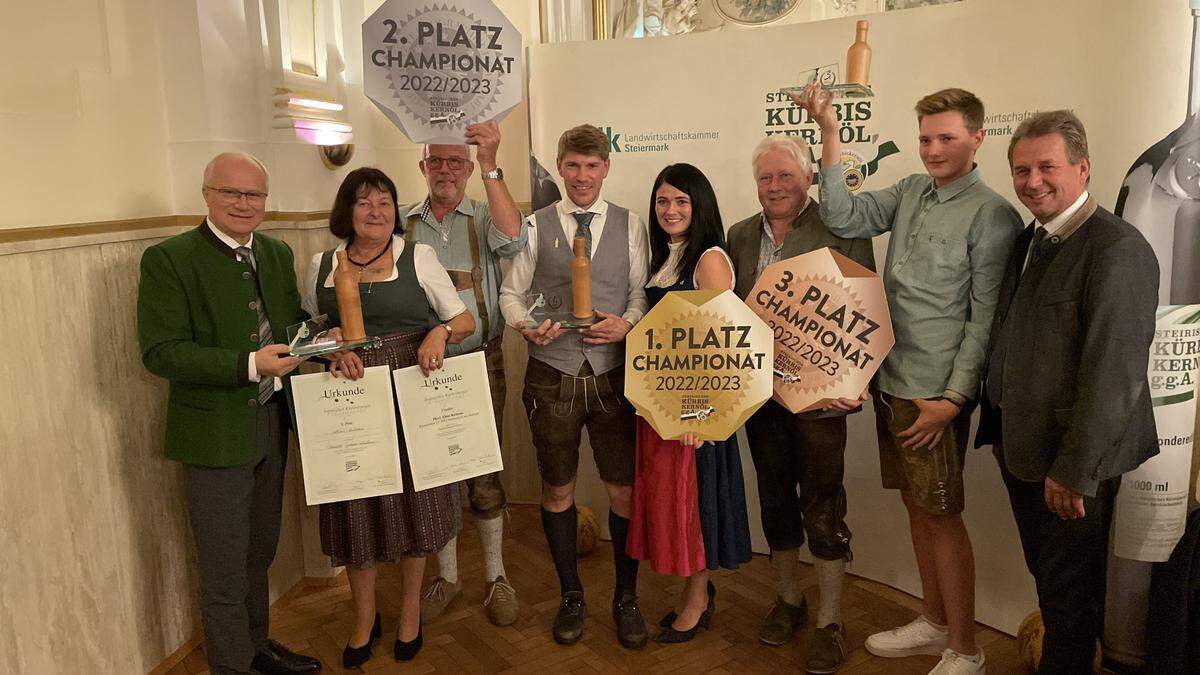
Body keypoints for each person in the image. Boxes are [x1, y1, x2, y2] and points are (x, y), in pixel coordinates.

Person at [798, 85, 1022, 674]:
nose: (932, 149)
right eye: (925, 138)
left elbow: (984, 319)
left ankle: (967, 650)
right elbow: (841, 212)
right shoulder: (911, 191)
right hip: (890, 380)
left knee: (944, 519)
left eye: (946, 138)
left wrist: (953, 400)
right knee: (919, 511)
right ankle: (935, 622)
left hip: (934, 397)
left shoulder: (995, 214)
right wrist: (828, 129)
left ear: (978, 137)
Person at [977, 111, 1159, 673]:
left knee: (1071, 600)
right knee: (1052, 584)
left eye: (1047, 167)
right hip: (1024, 449)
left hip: (1072, 465)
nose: (1033, 181)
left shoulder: (1116, 249)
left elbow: (1115, 374)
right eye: (1021, 170)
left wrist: (1076, 470)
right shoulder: (1029, 238)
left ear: (1082, 168)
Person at [137, 153, 322, 675]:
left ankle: (256, 648)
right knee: (222, 565)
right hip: (212, 434)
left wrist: (325, 341)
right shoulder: (170, 259)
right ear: (206, 194)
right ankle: (232, 666)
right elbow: (160, 352)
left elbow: (289, 324)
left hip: (271, 424)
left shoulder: (275, 252)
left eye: (254, 195)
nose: (244, 204)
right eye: (231, 193)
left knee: (258, 552)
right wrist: (248, 364)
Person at [306, 167, 475, 668]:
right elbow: (307, 329)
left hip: (409, 389)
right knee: (355, 504)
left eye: (384, 201)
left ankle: (407, 614)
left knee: (412, 508)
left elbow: (461, 319)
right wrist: (326, 346)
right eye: (363, 202)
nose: (376, 211)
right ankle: (362, 619)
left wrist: (439, 334)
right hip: (349, 393)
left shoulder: (417, 256)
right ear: (347, 211)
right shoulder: (319, 264)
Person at [726, 135, 875, 674]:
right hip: (761, 398)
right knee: (774, 499)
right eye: (766, 178)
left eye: (785, 176)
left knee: (822, 505)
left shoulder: (840, 227)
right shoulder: (740, 235)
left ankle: (830, 621)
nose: (774, 187)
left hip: (821, 402)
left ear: (809, 179)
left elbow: (867, 307)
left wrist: (857, 380)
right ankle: (789, 599)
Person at [498, 124, 650, 649]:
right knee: (558, 488)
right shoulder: (536, 225)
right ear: (560, 167)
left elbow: (640, 295)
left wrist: (628, 324)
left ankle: (625, 598)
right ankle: (571, 595)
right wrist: (524, 326)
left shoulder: (631, 225)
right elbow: (511, 294)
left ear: (606, 168)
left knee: (622, 490)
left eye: (592, 166)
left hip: (614, 375)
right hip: (551, 373)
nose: (582, 176)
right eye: (573, 165)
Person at [401, 121, 526, 628]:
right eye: (437, 161)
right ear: (423, 166)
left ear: (470, 169)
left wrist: (493, 157)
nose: (446, 170)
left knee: (484, 471)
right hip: (418, 369)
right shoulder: (402, 223)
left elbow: (515, 239)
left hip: (479, 361)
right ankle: (448, 576)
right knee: (435, 475)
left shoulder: (485, 214)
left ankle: (497, 576)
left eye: (456, 161)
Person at [625, 163, 752, 644]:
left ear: (699, 205)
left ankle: (697, 598)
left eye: (681, 201)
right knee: (672, 504)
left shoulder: (709, 259)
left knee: (692, 505)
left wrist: (703, 413)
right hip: (660, 407)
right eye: (662, 201)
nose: (670, 210)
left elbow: (724, 346)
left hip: (695, 413)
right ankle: (694, 590)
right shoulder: (664, 255)